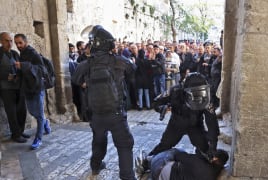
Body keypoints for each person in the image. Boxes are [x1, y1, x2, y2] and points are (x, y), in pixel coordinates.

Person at [71, 25, 136, 180]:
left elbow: (75, 79)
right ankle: (127, 176)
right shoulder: (119, 61)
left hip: (96, 115)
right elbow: (133, 69)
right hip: (116, 114)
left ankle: (95, 166)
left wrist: (87, 83)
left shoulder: (86, 64)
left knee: (99, 141)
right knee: (124, 145)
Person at [148, 72, 220, 158]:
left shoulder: (205, 98)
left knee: (204, 148)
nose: (197, 96)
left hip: (195, 125)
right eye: (194, 93)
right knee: (165, 145)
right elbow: (156, 102)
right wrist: (163, 108)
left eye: (200, 92)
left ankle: (203, 163)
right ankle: (147, 161)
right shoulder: (175, 91)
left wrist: (213, 145)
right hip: (176, 124)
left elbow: (212, 122)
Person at [14, 33, 51, 150]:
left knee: (39, 114)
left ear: (25, 42)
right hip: (28, 88)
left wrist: (23, 65)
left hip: (37, 87)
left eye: (20, 42)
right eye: (16, 43)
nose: (18, 45)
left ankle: (38, 139)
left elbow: (41, 69)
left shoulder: (33, 53)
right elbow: (24, 71)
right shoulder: (22, 54)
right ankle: (45, 123)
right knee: (32, 112)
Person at [0, 32, 27, 143]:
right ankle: (15, 135)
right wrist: (6, 76)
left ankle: (20, 131)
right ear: (1, 41)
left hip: (18, 86)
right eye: (7, 40)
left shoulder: (15, 53)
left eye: (11, 41)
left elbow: (20, 67)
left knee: (22, 110)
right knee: (11, 112)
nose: (9, 43)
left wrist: (17, 75)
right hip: (5, 88)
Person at [136, 148, 229, 180]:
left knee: (176, 151)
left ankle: (145, 162)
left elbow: (179, 156)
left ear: (215, 158)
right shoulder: (215, 172)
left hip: (161, 172)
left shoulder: (200, 163)